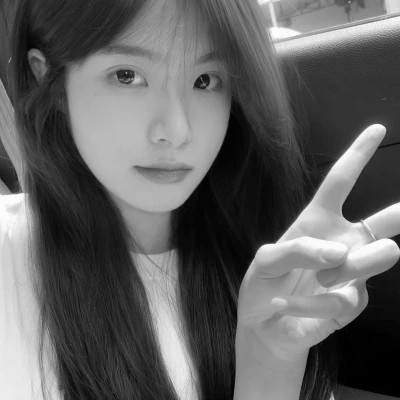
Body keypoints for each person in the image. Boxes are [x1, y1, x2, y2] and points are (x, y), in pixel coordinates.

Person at [1, 0, 399, 399]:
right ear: (48, 77)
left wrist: (272, 359)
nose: (177, 131)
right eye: (127, 75)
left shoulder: (269, 251)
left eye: (206, 80)